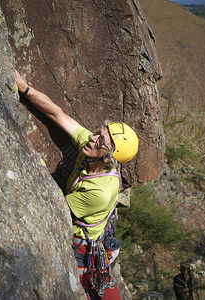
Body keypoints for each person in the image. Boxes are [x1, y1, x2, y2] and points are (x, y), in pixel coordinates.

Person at [15, 71, 139, 299]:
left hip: (79, 242)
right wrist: (24, 88)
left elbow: (55, 209)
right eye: (97, 134)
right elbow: (57, 114)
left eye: (100, 141)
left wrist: (36, 168)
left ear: (108, 157)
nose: (92, 139)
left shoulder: (99, 192)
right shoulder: (92, 150)